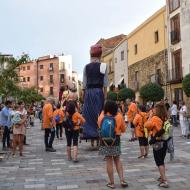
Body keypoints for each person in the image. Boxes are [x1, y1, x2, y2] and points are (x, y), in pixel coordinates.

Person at [82, 44, 109, 145]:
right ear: (100, 55)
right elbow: (105, 84)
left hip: (89, 92)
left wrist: (84, 97)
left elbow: (84, 85)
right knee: (99, 114)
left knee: (89, 115)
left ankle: (92, 139)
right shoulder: (103, 65)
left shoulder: (86, 67)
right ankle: (99, 139)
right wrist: (105, 97)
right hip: (98, 92)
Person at [98, 101, 128, 189]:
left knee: (109, 160)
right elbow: (123, 129)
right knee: (117, 159)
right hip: (116, 139)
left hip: (105, 140)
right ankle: (122, 180)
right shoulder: (119, 116)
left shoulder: (102, 116)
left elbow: (99, 126)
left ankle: (111, 183)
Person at [144, 103, 169, 188]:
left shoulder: (155, 118)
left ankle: (165, 181)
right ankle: (162, 178)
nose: (153, 110)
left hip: (157, 143)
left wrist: (150, 116)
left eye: (154, 108)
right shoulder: (165, 118)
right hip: (165, 142)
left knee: (159, 162)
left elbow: (146, 125)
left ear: (157, 110)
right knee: (162, 161)